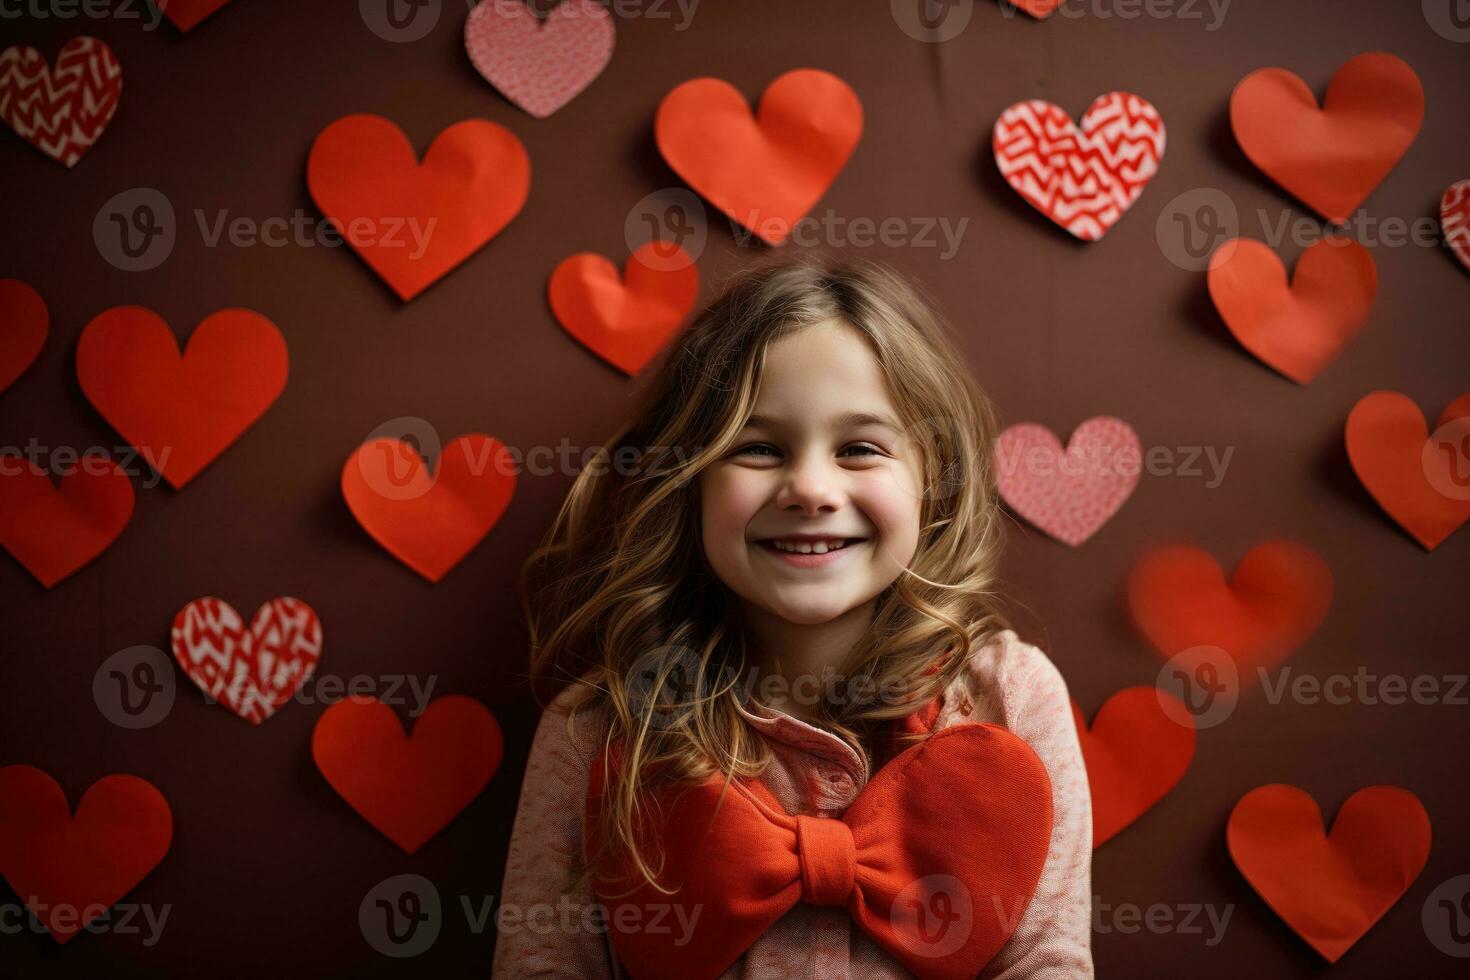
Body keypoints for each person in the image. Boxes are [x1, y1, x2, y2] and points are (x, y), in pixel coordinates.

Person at [492, 252, 1094, 978]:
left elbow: (1048, 966)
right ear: (690, 485)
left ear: (931, 478)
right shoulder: (596, 727)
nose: (810, 487)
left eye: (861, 448)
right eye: (759, 448)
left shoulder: (1013, 699)